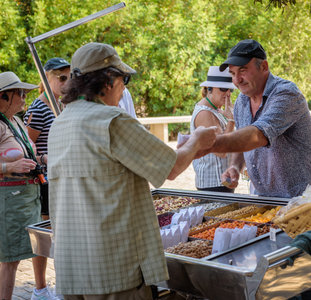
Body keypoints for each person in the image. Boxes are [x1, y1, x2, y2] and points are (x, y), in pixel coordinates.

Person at [47, 42, 216, 299]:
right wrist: (197, 140)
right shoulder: (112, 120)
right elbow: (171, 167)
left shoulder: (59, 124)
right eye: (123, 78)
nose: (125, 86)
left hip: (73, 268)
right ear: (107, 81)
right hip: (115, 270)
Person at [211, 39, 311, 198]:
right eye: (233, 73)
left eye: (243, 70)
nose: (237, 80)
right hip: (265, 198)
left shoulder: (286, 93)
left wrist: (208, 143)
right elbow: (242, 139)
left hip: (303, 197)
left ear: (264, 67)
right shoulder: (241, 101)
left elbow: (257, 135)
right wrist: (235, 167)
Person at [0, 72, 56, 300]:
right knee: (10, 260)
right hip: (9, 198)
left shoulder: (16, 121)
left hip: (27, 196)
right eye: (20, 93)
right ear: (3, 97)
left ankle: (40, 290)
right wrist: (7, 166)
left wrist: (42, 160)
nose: (25, 98)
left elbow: (29, 153)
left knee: (30, 249)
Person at [23, 57, 70, 299]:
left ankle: (62, 285)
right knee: (44, 237)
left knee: (64, 234)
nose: (66, 82)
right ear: (46, 78)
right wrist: (45, 158)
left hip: (64, 180)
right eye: (61, 78)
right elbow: (25, 146)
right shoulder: (38, 108)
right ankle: (40, 289)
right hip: (46, 182)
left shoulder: (64, 105)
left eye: (69, 77)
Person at [191, 66, 236, 193]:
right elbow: (221, 150)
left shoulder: (215, 109)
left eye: (230, 89)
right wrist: (231, 120)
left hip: (221, 182)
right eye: (223, 89)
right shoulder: (205, 113)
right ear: (209, 89)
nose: (228, 93)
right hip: (212, 185)